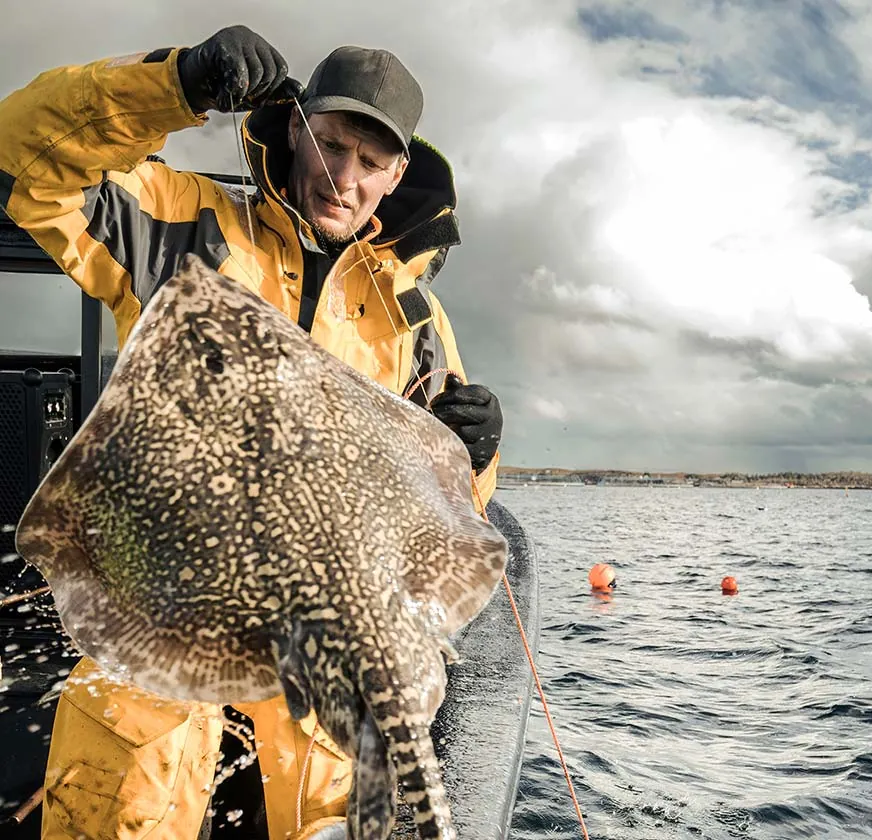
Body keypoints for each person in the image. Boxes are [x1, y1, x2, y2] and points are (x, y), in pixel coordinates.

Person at [0, 24, 503, 840]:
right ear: (297, 126)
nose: (343, 179)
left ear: (397, 173)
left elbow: (455, 509)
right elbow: (26, 165)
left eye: (370, 164)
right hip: (167, 612)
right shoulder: (184, 229)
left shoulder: (414, 322)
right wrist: (175, 87)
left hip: (324, 658)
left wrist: (478, 452)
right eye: (332, 146)